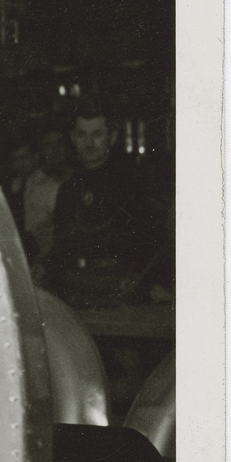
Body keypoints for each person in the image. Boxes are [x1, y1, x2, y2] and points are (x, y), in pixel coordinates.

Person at [43, 101, 165, 307]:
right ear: (73, 138)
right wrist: (42, 268)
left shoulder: (134, 182)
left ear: (112, 137)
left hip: (125, 294)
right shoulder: (69, 189)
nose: (89, 143)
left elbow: (152, 243)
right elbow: (61, 248)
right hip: (77, 295)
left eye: (97, 134)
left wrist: (148, 283)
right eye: (82, 135)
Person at [22, 127, 73, 260]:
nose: (55, 149)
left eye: (60, 143)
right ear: (41, 149)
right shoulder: (31, 184)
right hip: (42, 260)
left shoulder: (77, 180)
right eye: (49, 144)